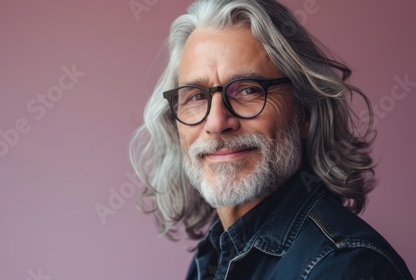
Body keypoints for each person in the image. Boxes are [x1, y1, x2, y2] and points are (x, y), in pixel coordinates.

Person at [129, 0, 413, 279]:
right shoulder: (215, 254)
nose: (216, 122)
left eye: (248, 91)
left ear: (304, 113)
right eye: (195, 96)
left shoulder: (345, 266)